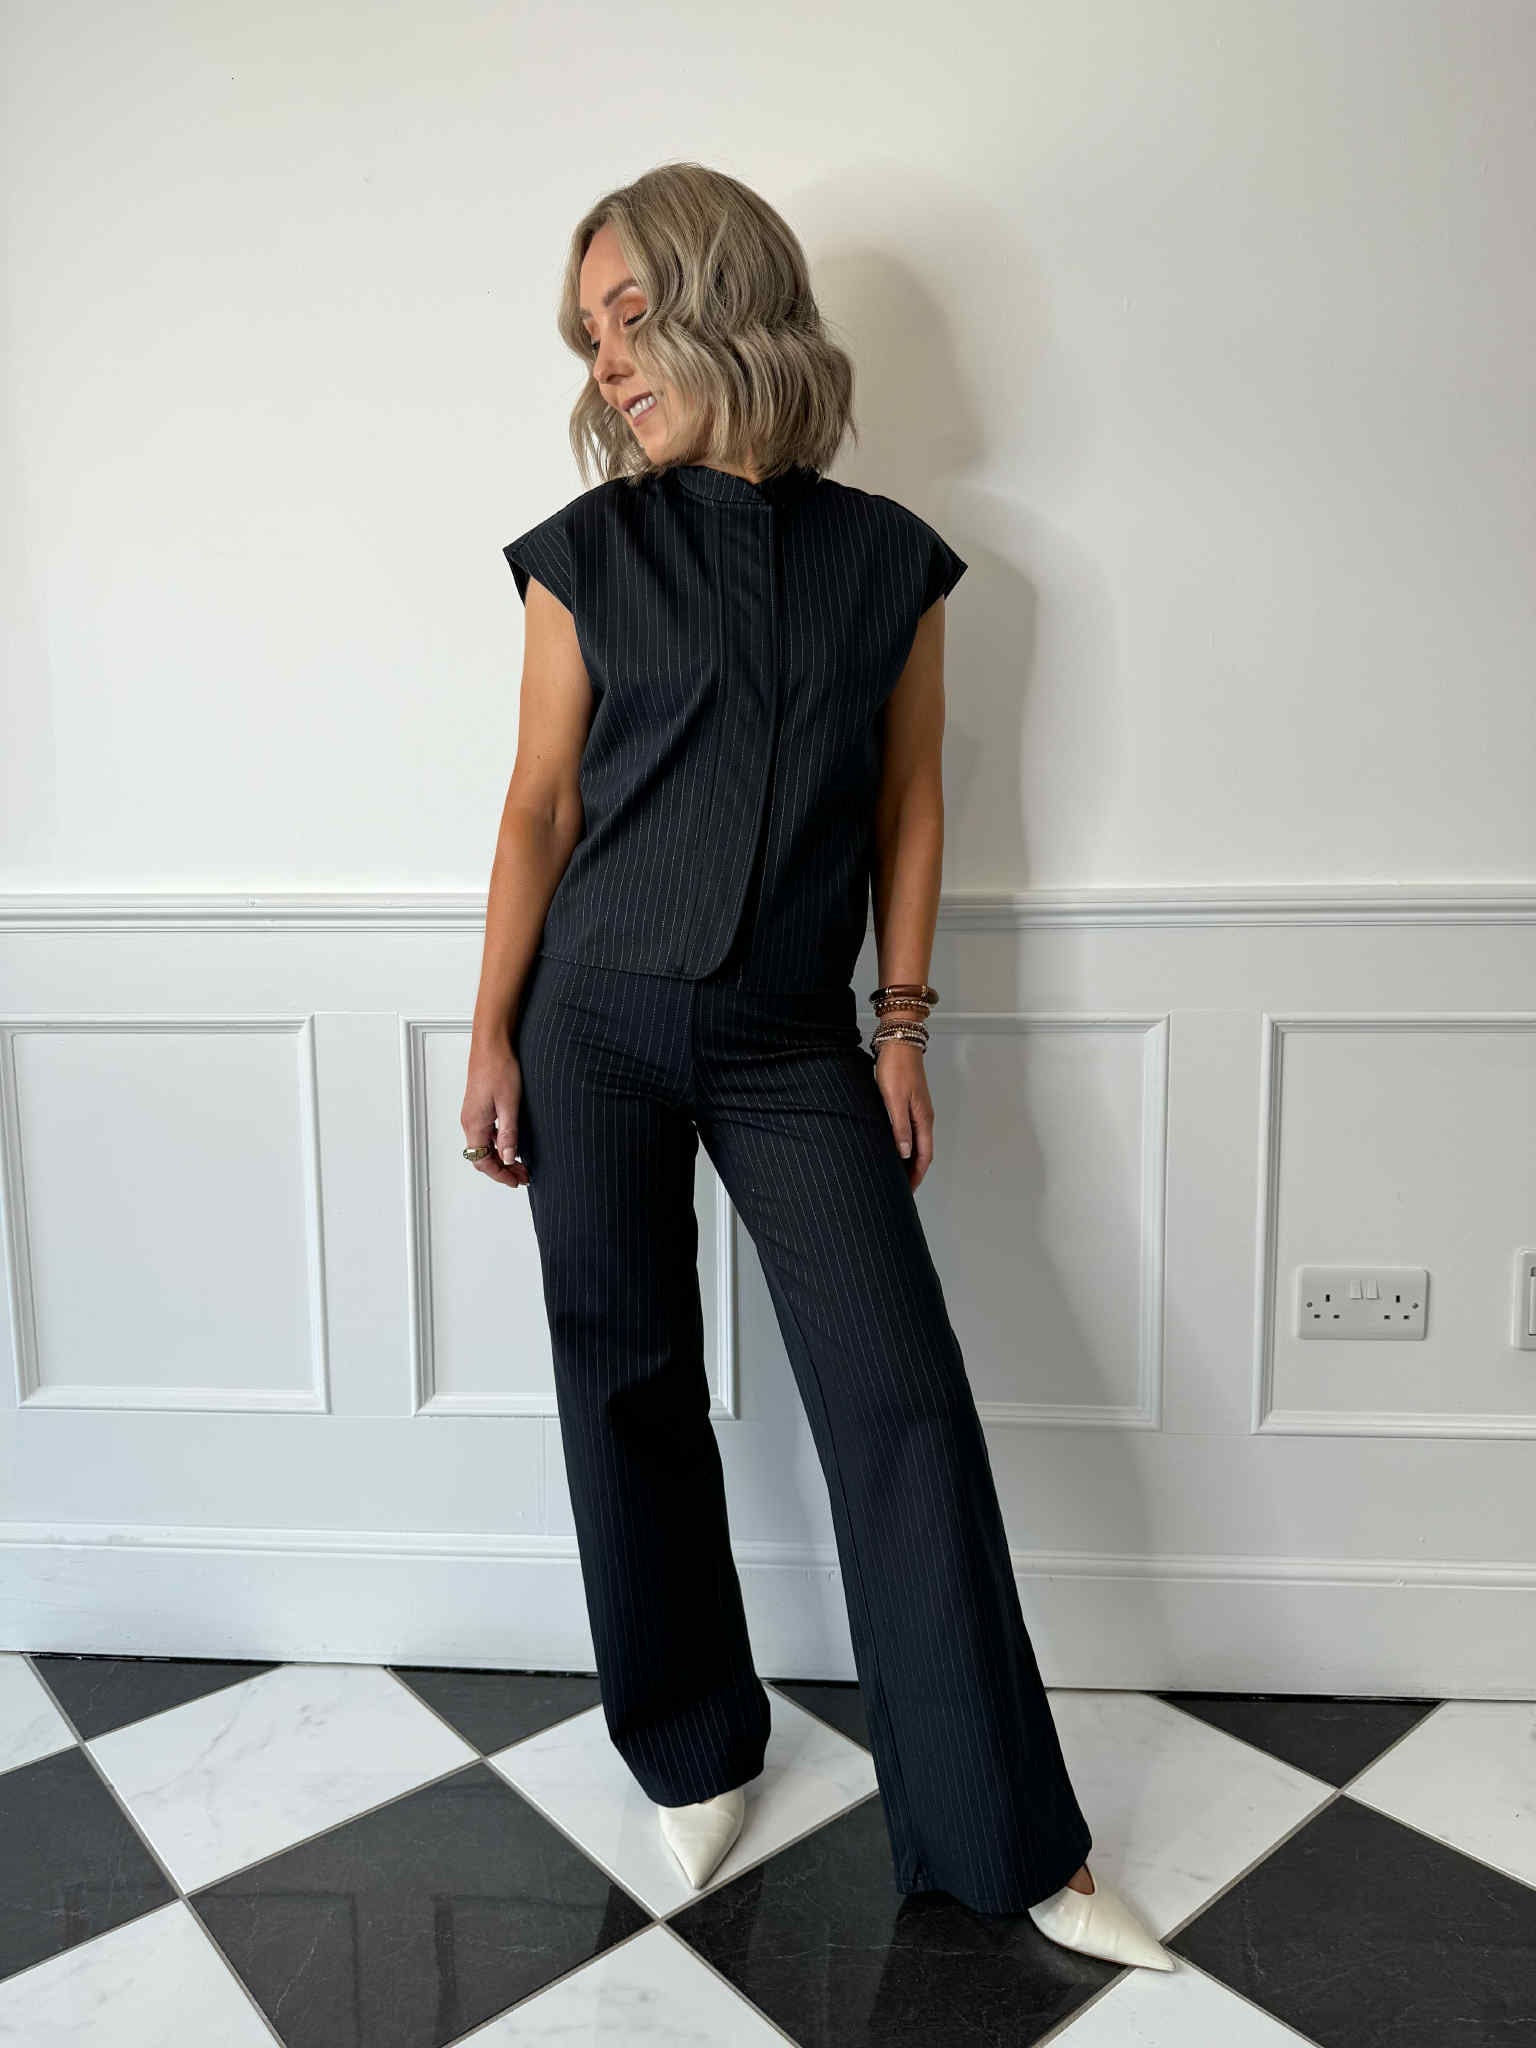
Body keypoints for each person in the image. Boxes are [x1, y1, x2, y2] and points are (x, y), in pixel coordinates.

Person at [463, 162, 1171, 1972]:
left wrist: (902, 1022)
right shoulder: (583, 556)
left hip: (793, 1039)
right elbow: (538, 811)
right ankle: (691, 1744)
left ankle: (1008, 1837)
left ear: (729, 301)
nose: (610, 362)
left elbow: (914, 800)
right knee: (625, 1379)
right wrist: (490, 1032)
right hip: (594, 1020)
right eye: (589, 334)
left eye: (636, 316)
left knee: (901, 1403)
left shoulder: (891, 563)